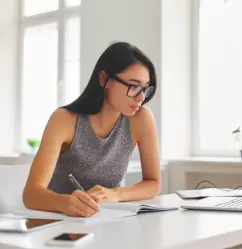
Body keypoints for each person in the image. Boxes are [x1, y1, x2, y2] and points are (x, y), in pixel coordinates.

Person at [22, 42, 161, 218]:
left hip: (106, 221)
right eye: (133, 86)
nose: (141, 97)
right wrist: (65, 202)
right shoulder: (64, 119)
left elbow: (153, 183)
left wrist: (117, 194)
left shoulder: (141, 119)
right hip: (58, 223)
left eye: (145, 88)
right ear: (104, 79)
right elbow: (31, 195)